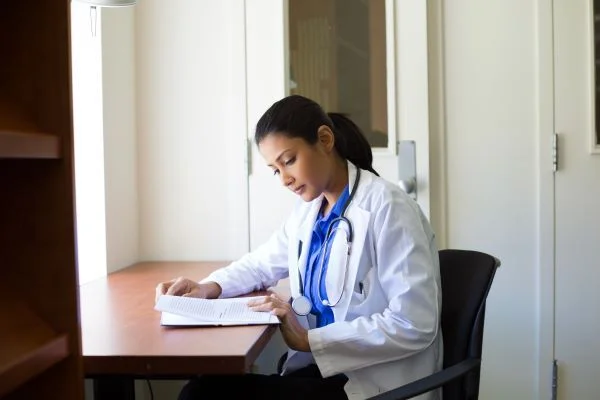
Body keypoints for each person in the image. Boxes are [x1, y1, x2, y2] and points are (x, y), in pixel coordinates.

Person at [155, 95, 442, 400]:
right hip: (325, 370)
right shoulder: (310, 211)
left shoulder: (387, 207)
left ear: (325, 139)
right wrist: (207, 287)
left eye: (289, 160)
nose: (285, 180)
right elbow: (261, 264)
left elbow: (414, 322)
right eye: (276, 170)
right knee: (204, 389)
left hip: (372, 381)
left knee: (201, 395)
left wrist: (309, 340)